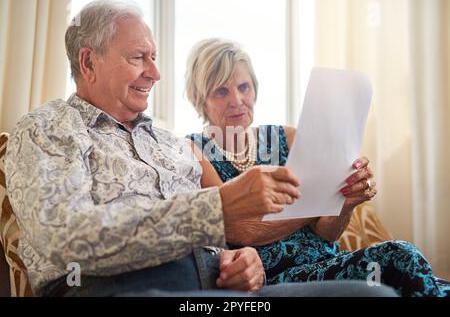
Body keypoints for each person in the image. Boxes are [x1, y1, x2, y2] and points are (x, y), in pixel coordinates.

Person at [4, 0, 397, 298]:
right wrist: (218, 206)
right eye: (139, 58)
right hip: (119, 288)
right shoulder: (47, 129)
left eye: (154, 58)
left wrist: (242, 260)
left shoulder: (171, 146)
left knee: (374, 292)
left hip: (216, 289)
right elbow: (65, 238)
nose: (155, 73)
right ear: (88, 62)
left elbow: (233, 232)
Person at [185, 38, 450, 297]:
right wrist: (315, 201)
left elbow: (326, 232)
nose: (237, 99)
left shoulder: (287, 137)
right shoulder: (194, 151)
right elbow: (238, 228)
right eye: (221, 91)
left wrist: (346, 200)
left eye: (244, 87)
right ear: (200, 99)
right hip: (277, 278)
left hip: (328, 262)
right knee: (400, 256)